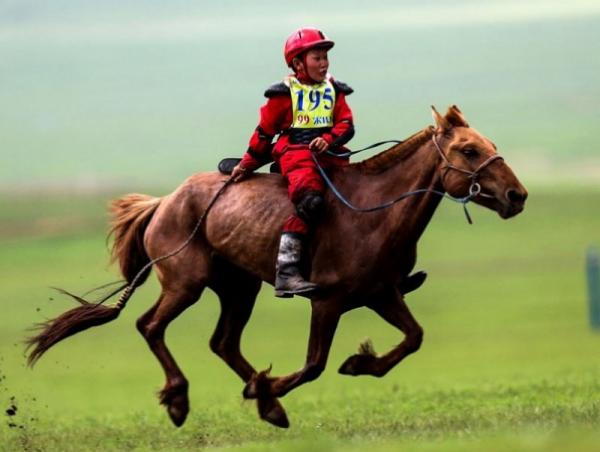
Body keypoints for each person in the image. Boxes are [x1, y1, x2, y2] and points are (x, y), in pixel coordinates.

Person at [231, 27, 355, 298]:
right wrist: (247, 164)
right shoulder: (282, 95)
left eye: (325, 58)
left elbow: (346, 123)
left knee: (358, 196)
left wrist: (329, 139)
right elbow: (264, 133)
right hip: (297, 156)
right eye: (317, 58)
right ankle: (287, 271)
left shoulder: (334, 89)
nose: (323, 63)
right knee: (311, 203)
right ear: (298, 63)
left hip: (332, 154)